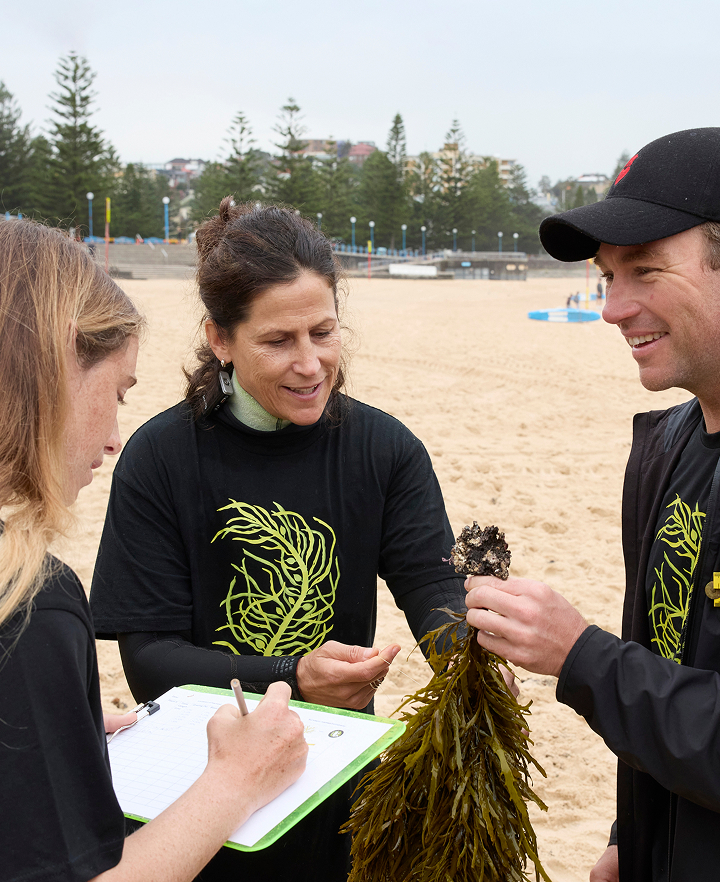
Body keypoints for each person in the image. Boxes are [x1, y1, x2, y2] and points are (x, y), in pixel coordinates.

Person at [90, 200, 467, 881]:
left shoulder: (385, 450)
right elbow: (149, 660)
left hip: (338, 793)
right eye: (278, 340)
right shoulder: (160, 459)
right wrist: (295, 674)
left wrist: (470, 655)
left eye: (323, 332)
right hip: (200, 803)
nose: (310, 363)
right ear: (221, 339)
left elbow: (433, 589)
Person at [0, 218, 308, 882]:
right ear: (50, 374)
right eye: (115, 393)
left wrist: (55, 728)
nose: (113, 437)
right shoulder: (26, 603)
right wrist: (234, 782)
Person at [464, 127, 720, 882]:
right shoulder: (670, 443)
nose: (613, 307)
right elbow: (670, 662)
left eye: (644, 270)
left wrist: (582, 656)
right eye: (608, 275)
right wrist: (630, 833)